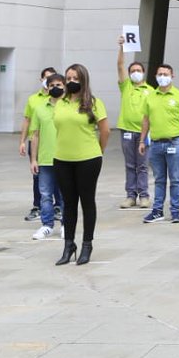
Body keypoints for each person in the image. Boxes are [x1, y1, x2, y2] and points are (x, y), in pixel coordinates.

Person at [53, 63, 109, 265]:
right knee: (68, 204)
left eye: (75, 78)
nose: (71, 82)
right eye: (68, 78)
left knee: (87, 201)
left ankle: (87, 244)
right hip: (62, 159)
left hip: (88, 159)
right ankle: (69, 245)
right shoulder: (60, 102)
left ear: (83, 80)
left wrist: (98, 151)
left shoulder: (94, 103)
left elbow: (105, 131)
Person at [139, 64, 179, 224]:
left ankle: (175, 211)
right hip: (155, 144)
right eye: (160, 74)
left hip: (175, 141)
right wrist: (142, 140)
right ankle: (157, 210)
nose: (162, 76)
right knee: (159, 178)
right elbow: (146, 120)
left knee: (175, 178)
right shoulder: (150, 96)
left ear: (172, 76)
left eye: (165, 74)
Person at [20, 67, 61, 221]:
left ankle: (59, 209)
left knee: (59, 182)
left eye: (56, 82)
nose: (53, 85)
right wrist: (22, 142)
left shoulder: (64, 103)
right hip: (39, 145)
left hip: (58, 147)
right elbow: (28, 122)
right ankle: (39, 208)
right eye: (48, 80)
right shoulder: (34, 100)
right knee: (39, 179)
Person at [29, 73, 66, 240]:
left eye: (59, 84)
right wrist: (33, 159)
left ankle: (67, 224)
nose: (55, 88)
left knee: (66, 194)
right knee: (45, 194)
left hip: (66, 157)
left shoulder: (69, 106)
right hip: (45, 159)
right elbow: (35, 135)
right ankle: (47, 225)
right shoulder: (40, 108)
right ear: (47, 87)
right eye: (52, 85)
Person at [117, 39, 152, 209]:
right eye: (133, 71)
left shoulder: (151, 90)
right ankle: (131, 195)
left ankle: (144, 195)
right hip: (127, 131)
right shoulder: (126, 87)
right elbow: (120, 65)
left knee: (143, 165)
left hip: (144, 133)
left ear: (144, 73)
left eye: (138, 70)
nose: (135, 73)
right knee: (130, 164)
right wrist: (122, 48)